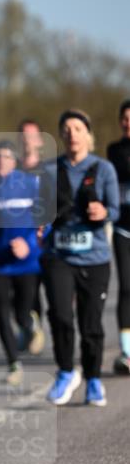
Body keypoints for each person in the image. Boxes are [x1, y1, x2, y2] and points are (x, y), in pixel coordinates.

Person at [39, 109, 119, 406]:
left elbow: (116, 210)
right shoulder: (49, 170)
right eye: (67, 128)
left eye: (77, 128)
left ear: (88, 134)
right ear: (61, 135)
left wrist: (104, 212)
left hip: (95, 258)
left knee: (91, 323)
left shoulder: (104, 169)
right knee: (60, 315)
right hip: (58, 255)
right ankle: (65, 372)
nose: (72, 133)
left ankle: (94, 380)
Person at [0, 141, 44, 387]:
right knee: (1, 314)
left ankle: (30, 324)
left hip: (27, 262)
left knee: (21, 312)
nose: (1, 160)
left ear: (14, 160)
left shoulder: (30, 184)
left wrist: (29, 244)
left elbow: (44, 221)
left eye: (5, 156)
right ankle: (13, 363)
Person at [17, 119, 48, 350]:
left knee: (43, 287)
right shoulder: (12, 171)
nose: (27, 140)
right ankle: (28, 326)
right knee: (20, 290)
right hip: (19, 238)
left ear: (40, 140)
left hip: (43, 237)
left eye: (31, 135)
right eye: (23, 136)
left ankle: (37, 327)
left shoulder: (48, 171)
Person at [107, 99, 130, 375]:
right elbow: (120, 171)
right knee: (126, 287)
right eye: (125, 118)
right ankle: (127, 352)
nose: (128, 122)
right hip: (123, 228)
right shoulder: (115, 150)